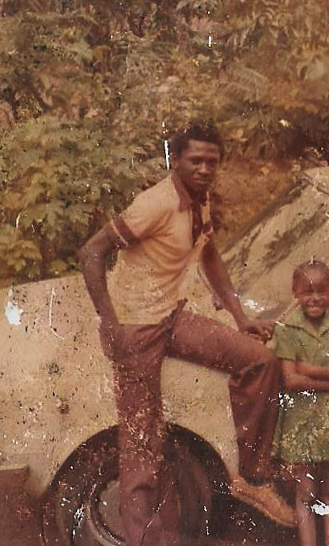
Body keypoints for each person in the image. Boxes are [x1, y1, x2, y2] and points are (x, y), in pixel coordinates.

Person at [79, 119, 295, 546]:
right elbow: (91, 252)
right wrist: (110, 322)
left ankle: (251, 478)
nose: (204, 168)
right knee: (143, 446)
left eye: (212, 161)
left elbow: (209, 254)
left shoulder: (200, 199)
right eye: (195, 160)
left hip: (170, 318)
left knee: (260, 360)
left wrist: (240, 317)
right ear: (175, 160)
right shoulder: (155, 203)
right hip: (135, 331)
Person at [271, 259, 329, 546]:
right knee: (306, 493)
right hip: (302, 422)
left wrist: (309, 369)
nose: (314, 298)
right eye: (307, 291)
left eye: (321, 291)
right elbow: (291, 380)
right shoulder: (288, 328)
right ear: (295, 293)